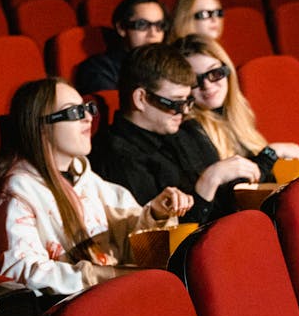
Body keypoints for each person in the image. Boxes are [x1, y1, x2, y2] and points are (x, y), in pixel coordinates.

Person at [0, 77, 192, 296]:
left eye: (87, 108)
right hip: (80, 309)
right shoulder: (21, 189)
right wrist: (99, 276)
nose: (88, 118)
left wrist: (156, 214)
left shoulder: (85, 176)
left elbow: (143, 253)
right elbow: (19, 270)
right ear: (41, 126)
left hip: (119, 295)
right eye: (74, 112)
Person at [90, 43, 260, 224]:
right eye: (176, 103)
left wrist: (267, 159)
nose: (185, 111)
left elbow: (231, 197)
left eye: (188, 101)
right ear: (141, 99)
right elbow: (157, 241)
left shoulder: (185, 130)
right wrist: (208, 182)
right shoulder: (116, 157)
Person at [172, 34, 299, 171]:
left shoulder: (237, 111)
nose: (207, 86)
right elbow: (235, 188)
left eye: (215, 73)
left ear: (227, 71)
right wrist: (271, 153)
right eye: (195, 80)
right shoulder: (190, 129)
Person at [75, 0, 167, 93]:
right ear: (121, 28)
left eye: (159, 25)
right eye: (142, 24)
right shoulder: (100, 68)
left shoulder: (167, 65)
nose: (153, 33)